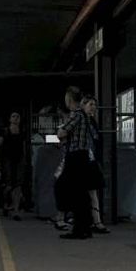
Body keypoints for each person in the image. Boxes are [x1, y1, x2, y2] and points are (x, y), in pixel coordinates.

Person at [55, 87, 93, 239]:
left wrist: (60, 131)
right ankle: (85, 227)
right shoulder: (83, 115)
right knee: (81, 193)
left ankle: (77, 228)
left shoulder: (76, 114)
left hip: (75, 157)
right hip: (81, 157)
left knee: (65, 188)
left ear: (69, 99)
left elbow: (62, 132)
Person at [81, 95, 110, 234]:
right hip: (84, 159)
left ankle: (95, 221)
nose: (93, 107)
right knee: (88, 192)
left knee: (91, 192)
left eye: (94, 105)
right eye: (90, 104)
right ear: (84, 105)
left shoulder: (91, 121)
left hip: (90, 160)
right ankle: (94, 221)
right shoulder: (83, 121)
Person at [0, 111, 27, 221]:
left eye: (18, 116)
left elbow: (23, 147)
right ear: (10, 119)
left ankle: (16, 211)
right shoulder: (4, 131)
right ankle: (5, 203)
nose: (16, 118)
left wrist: (25, 160)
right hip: (7, 161)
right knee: (8, 185)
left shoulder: (22, 132)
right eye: (13, 116)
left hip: (19, 160)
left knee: (18, 185)